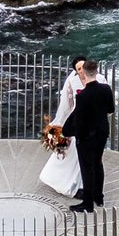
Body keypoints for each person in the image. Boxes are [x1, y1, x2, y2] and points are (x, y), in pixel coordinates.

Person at [67, 57, 114, 212]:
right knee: (98, 164)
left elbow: (78, 120)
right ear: (96, 72)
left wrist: (78, 137)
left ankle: (87, 204)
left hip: (87, 137)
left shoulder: (82, 96)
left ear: (85, 74)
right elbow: (110, 110)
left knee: (87, 169)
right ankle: (98, 197)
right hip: (102, 133)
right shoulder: (106, 89)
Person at [39, 61, 85, 198]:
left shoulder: (98, 79)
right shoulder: (72, 82)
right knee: (75, 155)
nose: (82, 71)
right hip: (76, 123)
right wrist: (61, 125)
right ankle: (74, 185)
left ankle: (82, 185)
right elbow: (66, 108)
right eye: (79, 68)